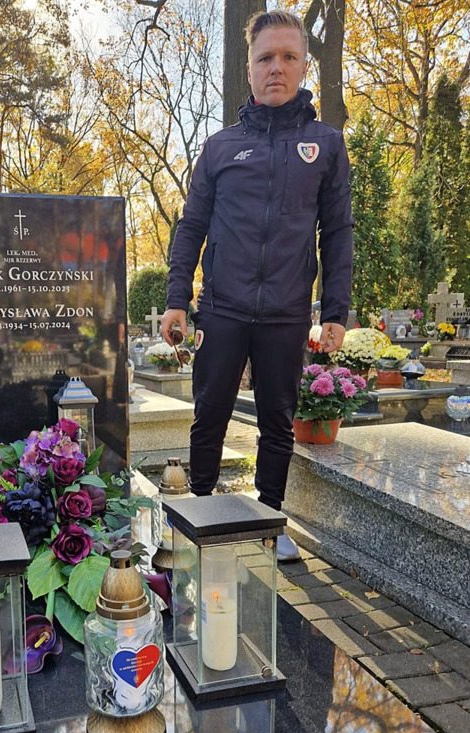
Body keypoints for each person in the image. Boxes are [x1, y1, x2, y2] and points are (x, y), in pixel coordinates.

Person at [160, 8, 353, 561]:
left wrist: (334, 311)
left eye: (289, 57)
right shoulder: (221, 147)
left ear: (304, 65)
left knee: (277, 420)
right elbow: (191, 225)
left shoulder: (325, 145)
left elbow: (337, 230)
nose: (277, 67)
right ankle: (198, 511)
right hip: (222, 307)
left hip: (287, 311)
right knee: (209, 414)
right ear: (249, 67)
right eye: (266, 57)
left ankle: (270, 520)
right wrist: (177, 299)